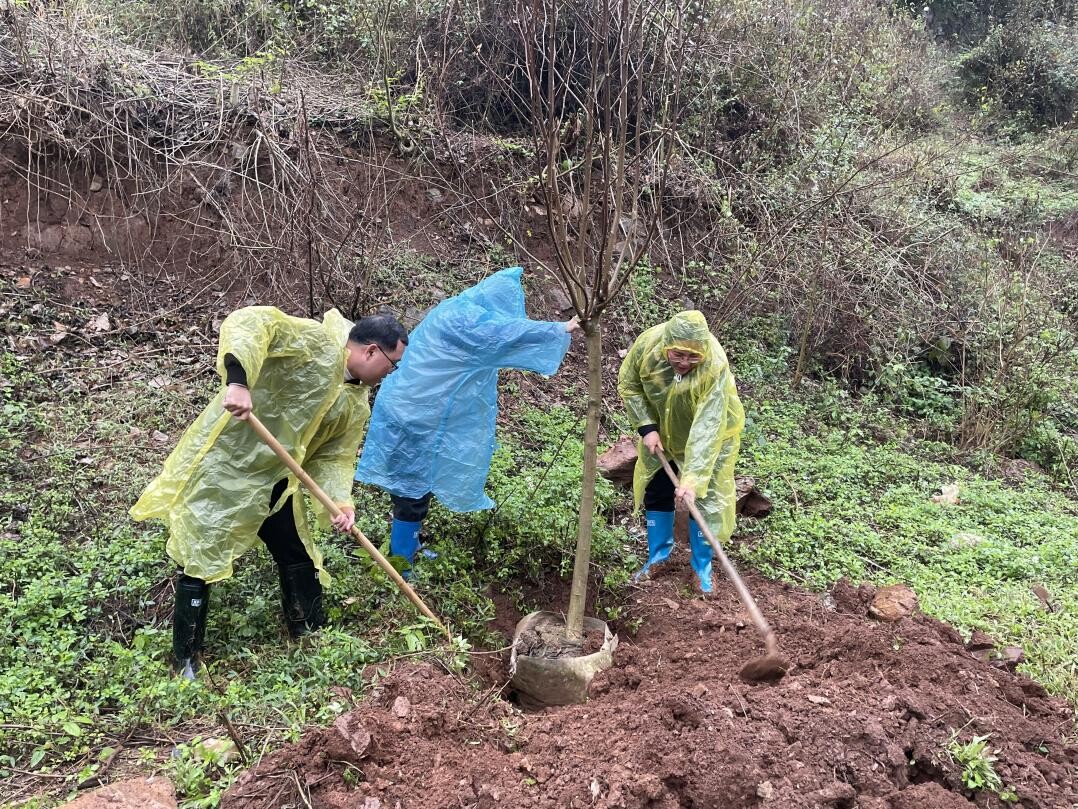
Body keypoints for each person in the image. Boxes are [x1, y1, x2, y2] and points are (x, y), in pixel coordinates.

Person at [130, 306, 407, 677]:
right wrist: (238, 382)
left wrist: (340, 501)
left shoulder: (354, 402)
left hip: (276, 481)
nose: (389, 374)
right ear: (372, 351)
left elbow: (334, 457)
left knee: (297, 555)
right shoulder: (313, 342)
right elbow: (251, 323)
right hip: (227, 469)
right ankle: (186, 660)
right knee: (200, 557)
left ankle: (309, 634)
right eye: (392, 364)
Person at [355, 266, 579, 575]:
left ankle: (409, 547)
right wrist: (558, 329)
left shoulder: (457, 310)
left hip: (411, 412)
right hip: (410, 418)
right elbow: (502, 335)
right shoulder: (465, 322)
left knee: (418, 486)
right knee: (410, 493)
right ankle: (400, 564)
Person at [617, 310, 744, 593]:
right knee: (659, 486)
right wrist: (647, 426)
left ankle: (702, 570)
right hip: (661, 432)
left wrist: (693, 476)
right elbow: (629, 384)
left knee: (704, 498)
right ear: (667, 346)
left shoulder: (714, 365)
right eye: (678, 355)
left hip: (712, 436)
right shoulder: (648, 347)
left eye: (693, 357)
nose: (685, 362)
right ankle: (658, 558)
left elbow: (708, 425)